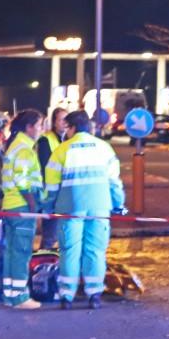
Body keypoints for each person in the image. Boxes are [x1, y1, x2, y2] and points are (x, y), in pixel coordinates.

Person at [46, 110, 126, 310]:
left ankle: (67, 295)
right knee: (96, 251)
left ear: (71, 128)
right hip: (99, 207)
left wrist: (47, 206)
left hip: (70, 208)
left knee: (70, 251)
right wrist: (118, 205)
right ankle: (94, 294)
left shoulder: (62, 150)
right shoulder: (104, 148)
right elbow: (114, 182)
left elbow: (52, 186)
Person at [0, 109, 45, 309]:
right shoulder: (25, 149)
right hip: (22, 207)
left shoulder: (14, 146)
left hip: (10, 206)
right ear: (29, 127)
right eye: (40, 125)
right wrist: (33, 205)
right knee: (21, 251)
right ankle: (20, 297)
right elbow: (23, 181)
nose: (42, 129)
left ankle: (10, 294)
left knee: (11, 251)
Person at [36, 107, 69, 249]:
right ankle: (43, 261)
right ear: (54, 122)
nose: (64, 123)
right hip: (51, 192)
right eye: (61, 119)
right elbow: (45, 167)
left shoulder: (67, 140)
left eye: (67, 119)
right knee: (50, 233)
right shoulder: (46, 139)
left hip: (64, 192)